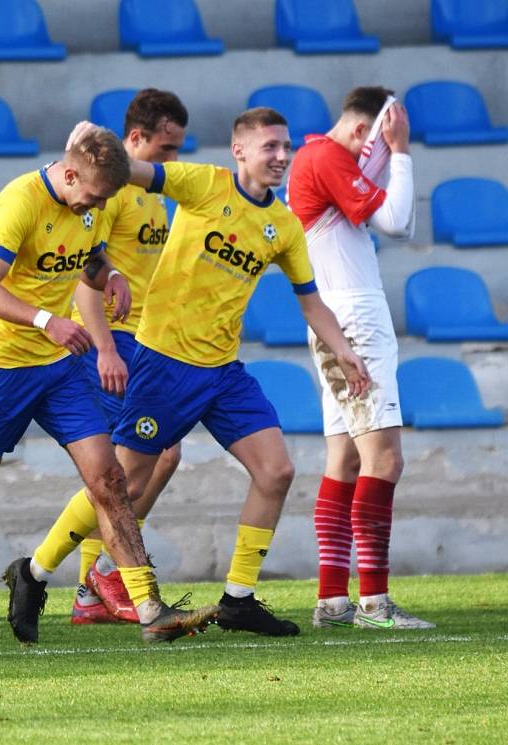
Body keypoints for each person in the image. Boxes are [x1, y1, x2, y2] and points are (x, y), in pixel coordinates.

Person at [33, 108, 371, 638]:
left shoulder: (282, 226)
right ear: (239, 151)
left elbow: (312, 303)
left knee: (276, 471)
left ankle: (237, 598)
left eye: (286, 147)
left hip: (223, 371)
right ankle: (35, 572)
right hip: (164, 363)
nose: (281, 157)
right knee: (123, 481)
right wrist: (83, 148)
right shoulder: (201, 184)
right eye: (270, 147)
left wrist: (345, 351)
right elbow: (130, 171)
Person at [0, 126, 219, 648]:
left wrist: (112, 273)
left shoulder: (90, 203)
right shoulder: (18, 202)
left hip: (59, 369)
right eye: (93, 196)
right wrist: (46, 320)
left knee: (110, 479)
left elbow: (90, 257)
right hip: (0, 369)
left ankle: (149, 609)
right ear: (69, 173)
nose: (96, 206)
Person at [287, 86, 434, 630]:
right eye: (379, 136)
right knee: (385, 461)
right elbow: (399, 222)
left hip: (336, 318)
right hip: (353, 321)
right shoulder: (326, 156)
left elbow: (399, 221)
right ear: (363, 131)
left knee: (345, 461)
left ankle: (333, 600)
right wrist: (401, 152)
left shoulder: (319, 160)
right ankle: (374, 601)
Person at [68, 89, 188, 626]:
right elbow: (82, 271)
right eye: (165, 149)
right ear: (134, 140)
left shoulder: (153, 195)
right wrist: (105, 348)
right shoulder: (111, 190)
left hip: (150, 340)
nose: (172, 162)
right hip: (118, 344)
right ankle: (99, 580)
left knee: (158, 458)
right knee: (122, 469)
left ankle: (94, 586)